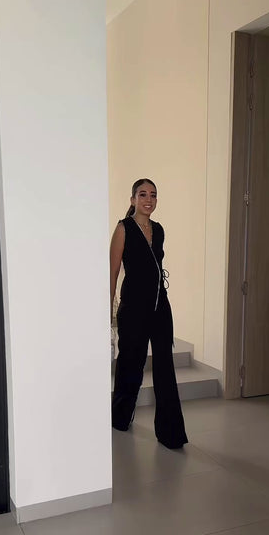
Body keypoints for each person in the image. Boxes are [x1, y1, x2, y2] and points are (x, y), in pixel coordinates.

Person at [110, 178, 188, 449]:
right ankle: (120, 415)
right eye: (142, 194)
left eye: (153, 195)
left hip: (160, 306)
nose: (148, 199)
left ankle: (170, 433)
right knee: (131, 361)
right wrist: (108, 309)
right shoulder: (123, 228)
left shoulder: (159, 229)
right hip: (133, 308)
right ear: (132, 199)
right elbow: (113, 271)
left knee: (165, 365)